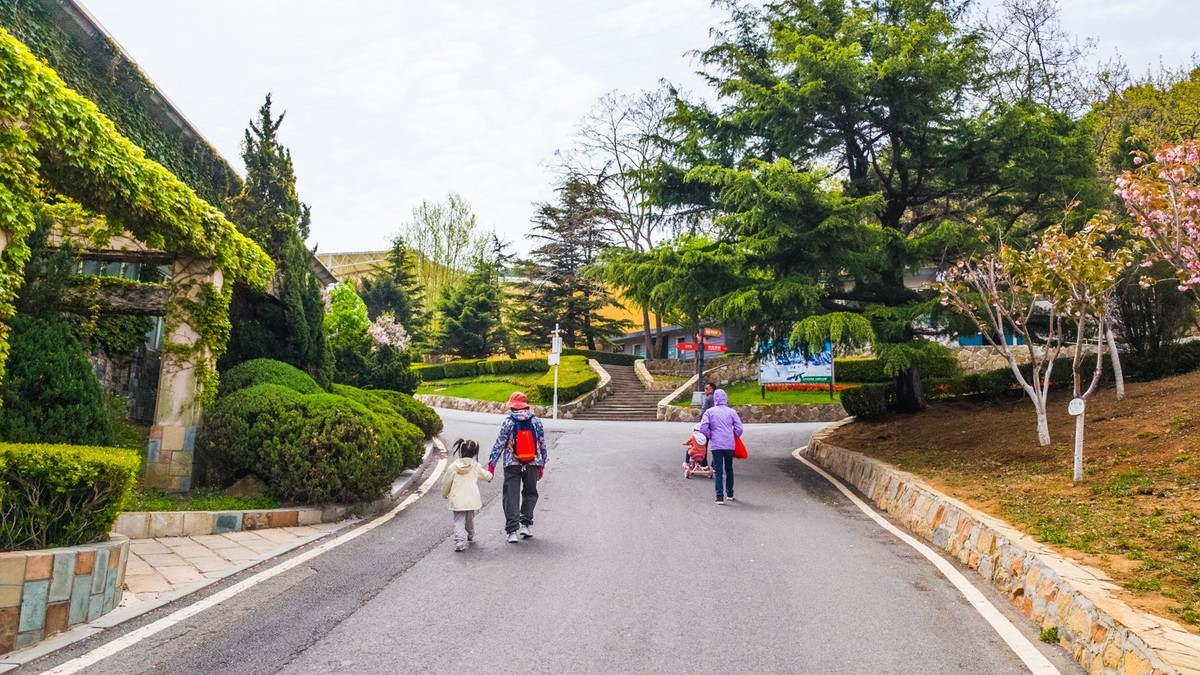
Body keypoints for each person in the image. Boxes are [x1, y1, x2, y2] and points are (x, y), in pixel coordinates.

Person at [488, 391, 548, 543]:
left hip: (512, 463)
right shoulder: (536, 421)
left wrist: (491, 465)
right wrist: (542, 465)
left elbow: (499, 444)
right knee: (530, 493)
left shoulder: (509, 422)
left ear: (513, 406)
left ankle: (512, 531)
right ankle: (525, 525)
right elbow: (542, 443)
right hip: (533, 463)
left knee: (511, 495)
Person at [441, 439, 493, 552]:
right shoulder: (475, 466)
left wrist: (445, 494)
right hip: (471, 499)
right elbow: (486, 475)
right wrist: (490, 475)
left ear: (461, 450)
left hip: (457, 499)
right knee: (470, 518)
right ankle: (471, 533)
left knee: (459, 520)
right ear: (474, 453)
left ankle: (459, 541)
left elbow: (446, 483)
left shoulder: (453, 467)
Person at [698, 388, 743, 505]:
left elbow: (703, 427)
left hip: (716, 444)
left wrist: (711, 435)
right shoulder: (732, 412)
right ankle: (730, 493)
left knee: (718, 471)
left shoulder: (709, 412)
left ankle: (719, 497)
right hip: (729, 444)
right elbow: (739, 429)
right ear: (726, 398)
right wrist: (732, 435)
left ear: (715, 399)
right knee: (729, 468)